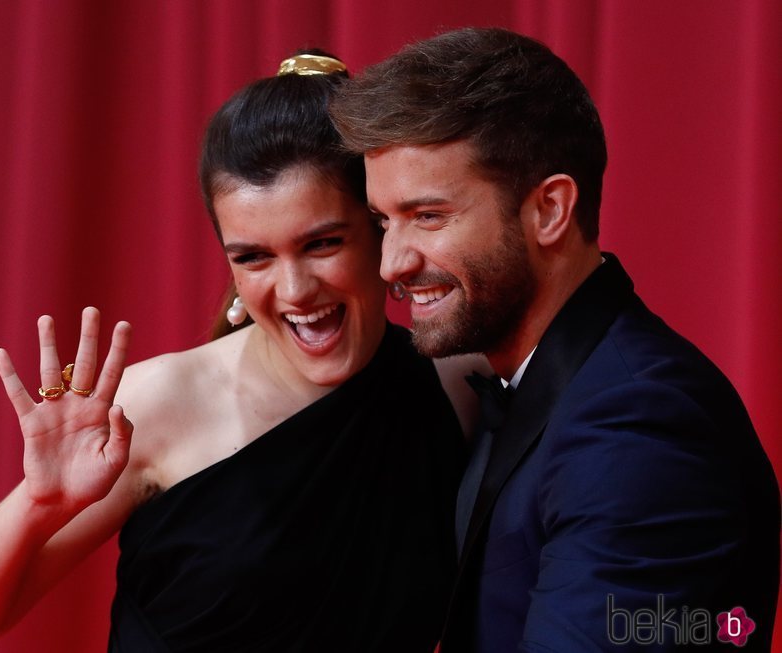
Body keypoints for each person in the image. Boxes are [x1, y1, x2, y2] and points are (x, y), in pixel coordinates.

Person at [0, 51, 471, 652]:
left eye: (323, 243)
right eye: (252, 257)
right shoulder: (154, 405)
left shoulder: (455, 388)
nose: (293, 290)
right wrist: (37, 504)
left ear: (380, 231)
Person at [330, 27, 781, 652]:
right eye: (385, 222)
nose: (391, 264)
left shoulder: (638, 424)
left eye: (428, 216)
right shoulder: (539, 386)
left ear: (549, 211)